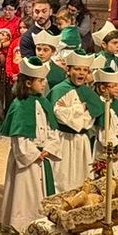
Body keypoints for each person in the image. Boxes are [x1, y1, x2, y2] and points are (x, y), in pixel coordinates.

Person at [0, 60, 59, 233]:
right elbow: (19, 139)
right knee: (23, 192)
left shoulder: (44, 102)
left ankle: (41, 222)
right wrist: (34, 153)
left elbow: (52, 130)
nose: (44, 83)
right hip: (28, 160)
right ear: (28, 83)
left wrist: (49, 147)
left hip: (43, 155)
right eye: (40, 80)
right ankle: (21, 225)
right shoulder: (19, 105)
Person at [49, 52, 102, 195]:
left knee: (82, 175)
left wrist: (73, 111)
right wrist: (82, 108)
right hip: (64, 138)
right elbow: (59, 114)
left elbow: (90, 119)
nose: (81, 73)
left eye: (85, 70)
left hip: (82, 140)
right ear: (68, 70)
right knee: (62, 176)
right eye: (77, 69)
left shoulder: (88, 92)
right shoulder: (59, 89)